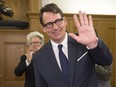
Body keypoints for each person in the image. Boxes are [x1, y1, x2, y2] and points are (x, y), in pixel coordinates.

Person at [33, 3, 112, 87]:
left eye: (58, 21)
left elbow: (106, 61)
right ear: (43, 28)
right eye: (49, 24)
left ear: (65, 21)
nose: (55, 27)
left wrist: (93, 44)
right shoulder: (38, 57)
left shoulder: (83, 43)